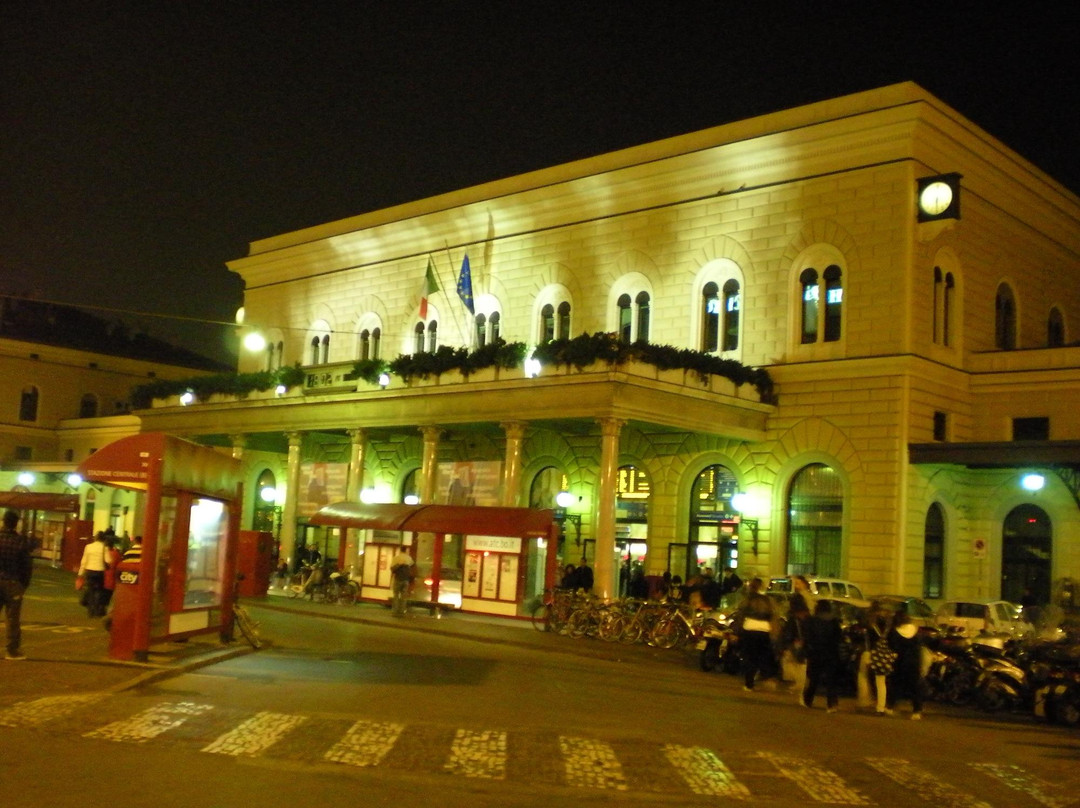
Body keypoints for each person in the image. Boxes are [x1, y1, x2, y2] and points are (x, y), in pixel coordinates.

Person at [0, 509, 33, 660]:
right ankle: (11, 650)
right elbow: (26, 566)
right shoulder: (20, 541)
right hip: (13, 583)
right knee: (12, 618)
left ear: (3, 521)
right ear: (16, 524)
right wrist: (23, 584)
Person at [802, 599, 843, 711]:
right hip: (831, 652)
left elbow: (808, 637)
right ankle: (831, 704)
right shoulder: (833, 621)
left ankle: (808, 700)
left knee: (814, 678)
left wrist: (806, 650)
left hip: (816, 652)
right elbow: (839, 637)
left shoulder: (812, 620)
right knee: (831, 680)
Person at [737, 577, 778, 691]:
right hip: (764, 629)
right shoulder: (768, 600)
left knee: (750, 657)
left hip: (749, 628)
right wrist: (774, 631)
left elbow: (740, 615)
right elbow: (774, 615)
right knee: (763, 655)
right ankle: (767, 677)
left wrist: (738, 630)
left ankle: (749, 683)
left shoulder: (748, 599)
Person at [886, 611, 924, 719]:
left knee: (895, 684)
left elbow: (891, 646)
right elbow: (919, 646)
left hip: (900, 661)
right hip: (914, 662)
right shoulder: (915, 630)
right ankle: (917, 711)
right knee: (915, 687)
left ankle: (890, 706)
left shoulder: (895, 632)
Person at [860, 603, 895, 714]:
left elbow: (868, 642)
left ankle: (878, 705)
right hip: (886, 655)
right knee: (882, 681)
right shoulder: (889, 627)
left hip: (874, 654)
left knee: (874, 679)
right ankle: (881, 705)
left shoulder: (871, 626)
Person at [78, 531, 112, 617]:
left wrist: (80, 573)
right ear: (103, 539)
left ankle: (90, 611)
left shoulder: (88, 547)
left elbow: (84, 561)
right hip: (99, 572)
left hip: (89, 571)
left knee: (90, 590)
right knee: (99, 591)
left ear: (95, 538)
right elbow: (109, 560)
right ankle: (97, 610)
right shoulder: (104, 547)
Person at [389, 546, 414, 617]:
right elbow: (412, 565)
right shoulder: (409, 558)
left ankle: (395, 611)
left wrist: (399, 564)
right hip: (406, 580)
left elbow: (392, 568)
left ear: (400, 550)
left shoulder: (396, 558)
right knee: (404, 596)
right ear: (406, 550)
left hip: (398, 579)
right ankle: (402, 611)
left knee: (396, 595)